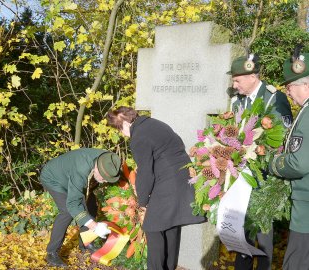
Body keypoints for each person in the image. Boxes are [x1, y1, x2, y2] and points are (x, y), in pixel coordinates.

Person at [106, 107, 205, 270]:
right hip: (182, 180)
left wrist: (142, 202)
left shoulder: (138, 137)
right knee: (170, 226)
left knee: (152, 228)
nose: (122, 134)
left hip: (167, 184)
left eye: (119, 129)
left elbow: (146, 172)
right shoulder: (155, 124)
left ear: (125, 123)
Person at [228, 54, 293, 270]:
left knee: (263, 233)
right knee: (241, 230)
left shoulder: (275, 98)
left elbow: (281, 138)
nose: (233, 84)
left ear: (252, 76)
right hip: (242, 175)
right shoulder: (237, 100)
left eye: (237, 80)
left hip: (266, 178)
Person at [40, 148, 121, 267]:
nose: (104, 182)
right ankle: (51, 252)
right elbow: (73, 204)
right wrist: (94, 226)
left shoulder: (109, 160)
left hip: (71, 177)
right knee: (67, 211)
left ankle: (86, 242)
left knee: (91, 205)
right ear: (97, 168)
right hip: (54, 178)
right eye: (103, 177)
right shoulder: (81, 170)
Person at [269, 50, 309, 270]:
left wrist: (273, 163)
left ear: (306, 85)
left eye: (291, 86)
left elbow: (299, 163)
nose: (288, 91)